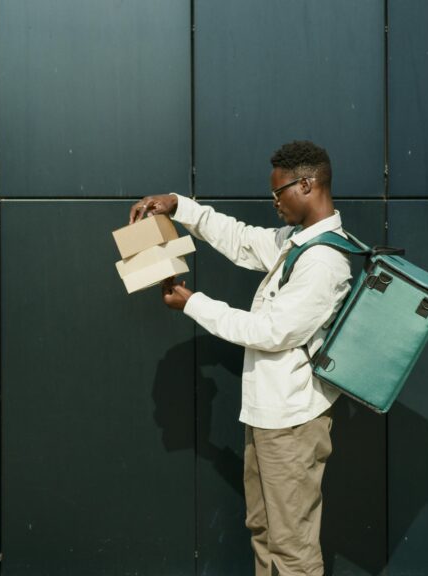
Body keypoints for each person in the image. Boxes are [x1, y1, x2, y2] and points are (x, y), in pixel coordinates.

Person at [129, 140, 352, 576]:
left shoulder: (324, 260)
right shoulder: (298, 243)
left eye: (278, 192)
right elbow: (242, 241)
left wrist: (192, 304)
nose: (274, 202)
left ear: (307, 184)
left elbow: (270, 332)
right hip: (270, 417)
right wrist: (179, 206)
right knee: (265, 531)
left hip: (292, 422)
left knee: (292, 547)